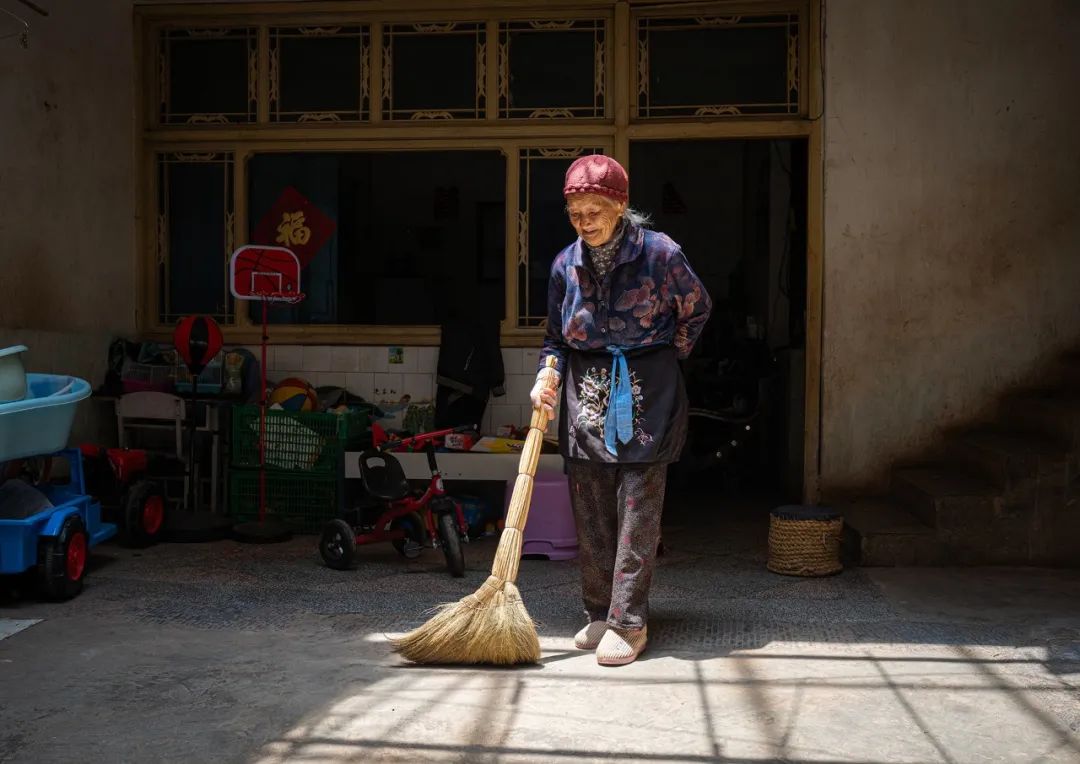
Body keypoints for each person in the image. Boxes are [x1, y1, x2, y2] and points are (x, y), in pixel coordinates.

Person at [531, 155, 712, 666]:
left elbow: (697, 309)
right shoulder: (565, 263)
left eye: (594, 211)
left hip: (646, 390)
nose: (584, 222)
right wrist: (547, 374)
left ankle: (629, 623)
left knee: (637, 506)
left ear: (620, 205)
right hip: (585, 389)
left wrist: (665, 357)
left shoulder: (660, 253)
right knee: (588, 505)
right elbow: (554, 337)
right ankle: (598, 612)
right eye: (575, 213)